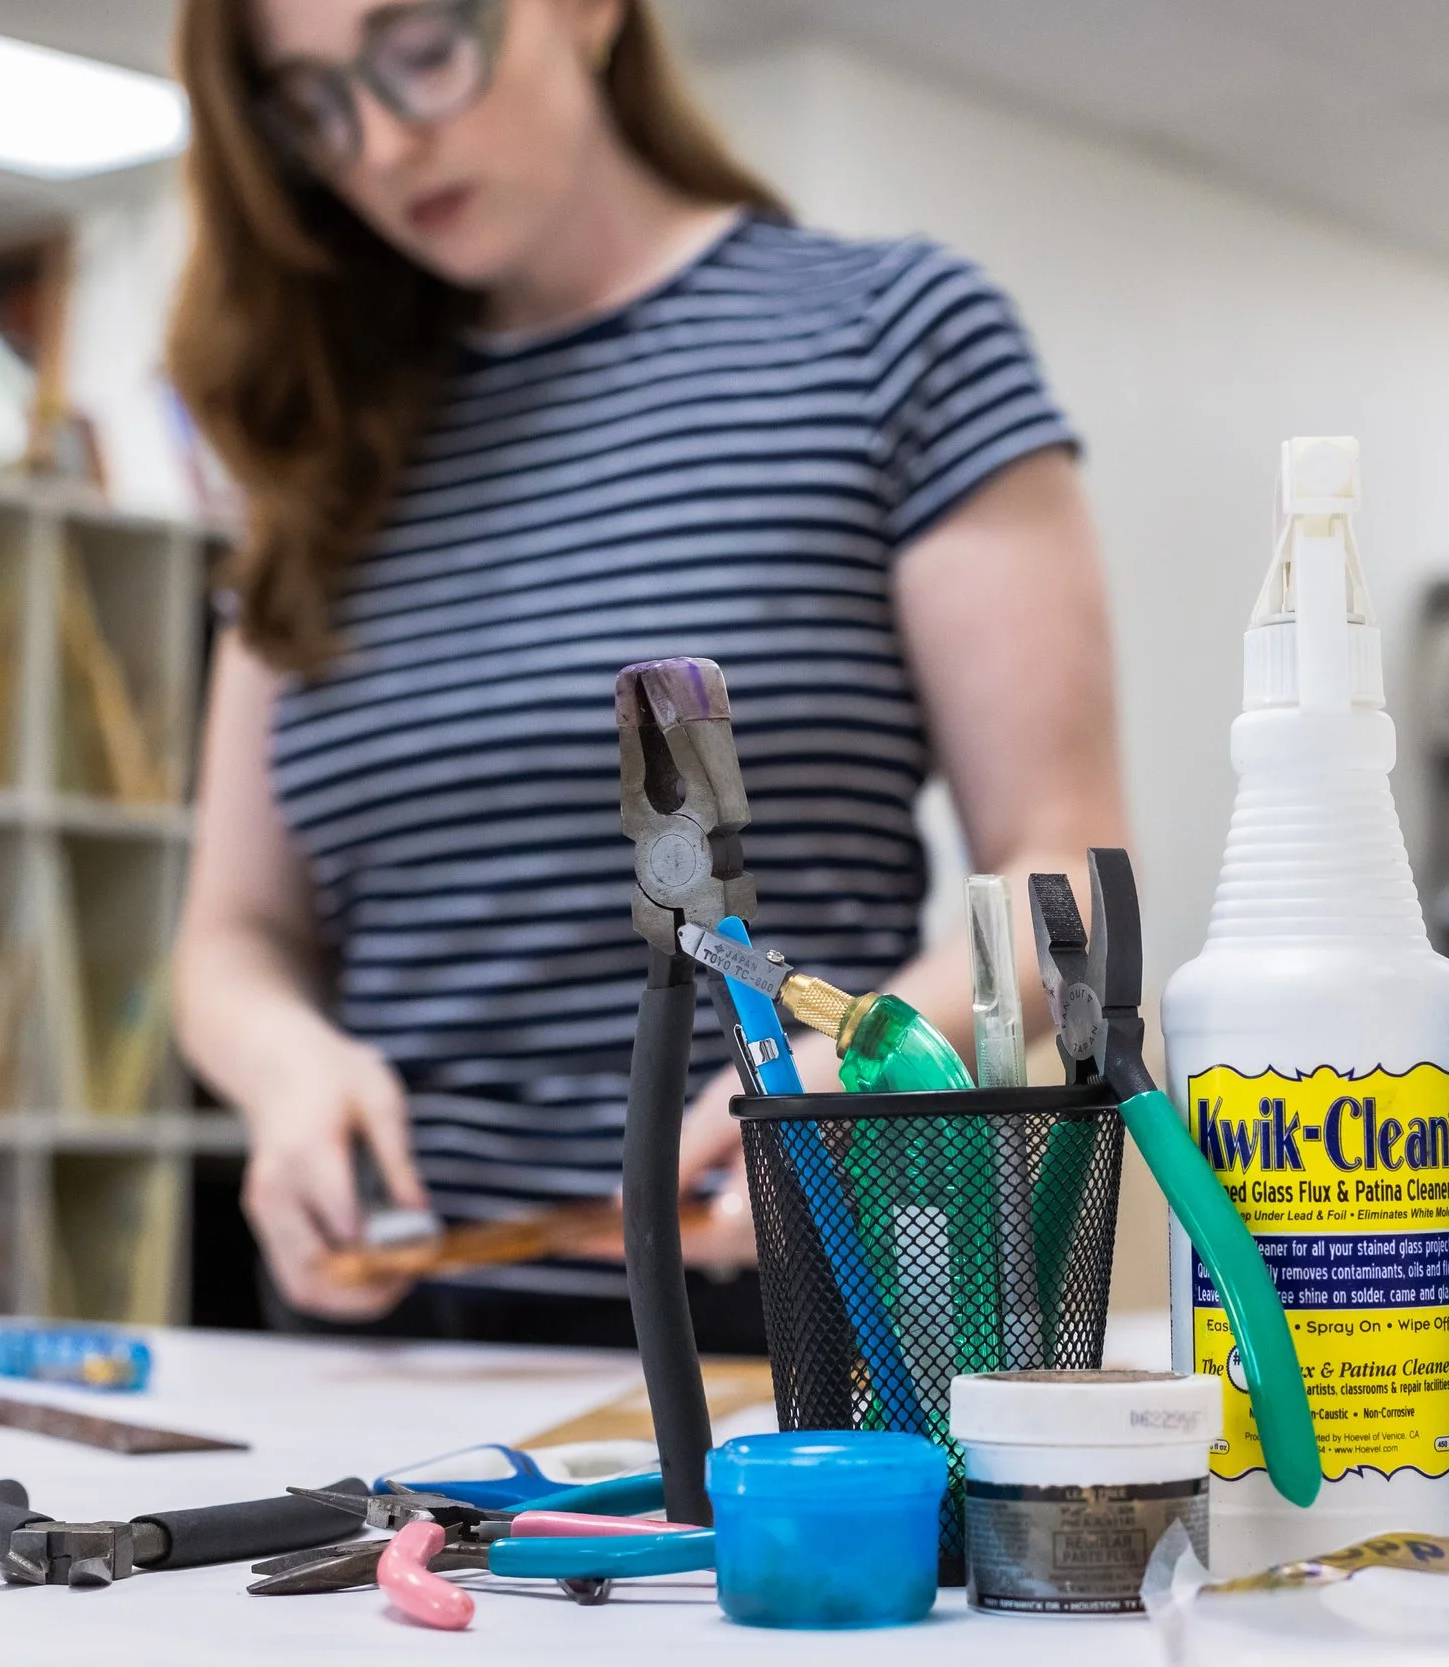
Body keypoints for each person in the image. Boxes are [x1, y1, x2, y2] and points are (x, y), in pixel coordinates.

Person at [166, 0, 1126, 1349]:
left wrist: (862, 1060)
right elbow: (232, 935)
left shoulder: (896, 338)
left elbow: (1063, 869)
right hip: (395, 1349)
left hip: (813, 1339)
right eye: (311, 104)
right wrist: (283, 1067)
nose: (379, 146)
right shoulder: (312, 442)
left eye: (423, 51)